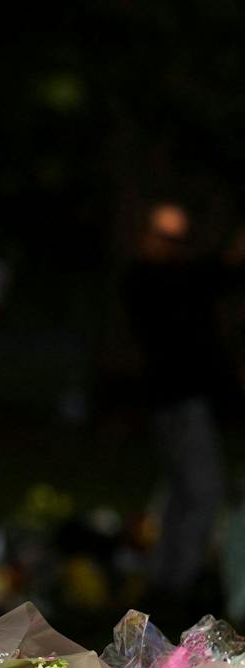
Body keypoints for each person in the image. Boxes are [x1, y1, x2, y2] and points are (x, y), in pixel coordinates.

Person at [122, 201, 244, 615]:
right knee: (201, 489)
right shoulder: (147, 279)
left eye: (179, 239)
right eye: (165, 237)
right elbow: (206, 279)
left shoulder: (181, 280)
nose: (172, 247)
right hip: (176, 401)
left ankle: (167, 579)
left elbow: (218, 277)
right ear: (147, 237)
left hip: (184, 400)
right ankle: (178, 581)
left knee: (182, 491)